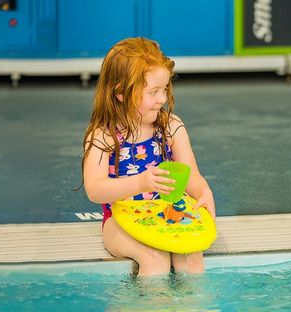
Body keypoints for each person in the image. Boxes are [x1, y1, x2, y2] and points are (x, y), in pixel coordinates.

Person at [82, 37, 215, 276]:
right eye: (153, 92)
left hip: (167, 213)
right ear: (121, 93)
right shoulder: (103, 136)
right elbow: (94, 189)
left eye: (164, 89)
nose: (162, 99)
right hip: (119, 221)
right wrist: (140, 183)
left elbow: (191, 175)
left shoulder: (171, 127)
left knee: (191, 256)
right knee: (155, 259)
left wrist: (204, 192)